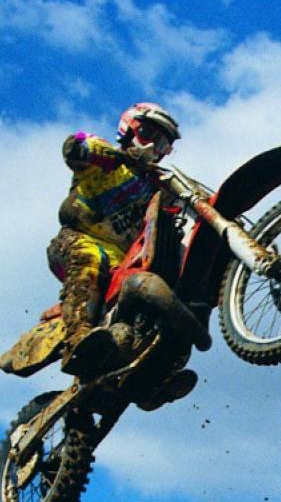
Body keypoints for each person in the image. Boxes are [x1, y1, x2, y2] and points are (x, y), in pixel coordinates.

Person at [47, 103, 196, 407]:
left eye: (163, 144)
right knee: (91, 258)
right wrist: (100, 151)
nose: (153, 147)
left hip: (124, 259)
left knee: (176, 292)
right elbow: (75, 144)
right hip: (77, 240)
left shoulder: (157, 185)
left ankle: (155, 377)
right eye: (148, 135)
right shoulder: (107, 162)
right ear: (128, 129)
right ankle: (78, 341)